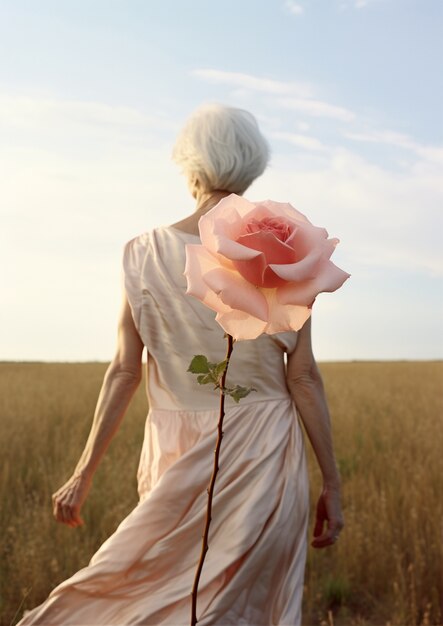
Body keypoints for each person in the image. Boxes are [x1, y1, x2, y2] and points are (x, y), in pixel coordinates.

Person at [18, 104, 344, 626]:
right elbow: (302, 377)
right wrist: (332, 482)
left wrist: (84, 474)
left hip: (175, 450)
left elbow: (125, 370)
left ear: (190, 168)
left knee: (150, 594)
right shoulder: (281, 253)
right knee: (242, 610)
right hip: (266, 456)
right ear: (252, 169)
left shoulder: (142, 253)